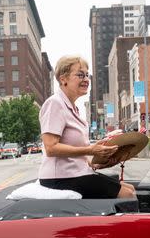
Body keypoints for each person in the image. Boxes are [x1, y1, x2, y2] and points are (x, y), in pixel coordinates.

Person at [38, 55, 135, 198]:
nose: (86, 79)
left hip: (76, 174)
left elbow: (74, 155)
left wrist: (96, 162)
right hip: (59, 178)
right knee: (127, 194)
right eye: (80, 75)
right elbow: (51, 148)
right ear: (63, 79)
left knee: (130, 188)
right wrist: (91, 150)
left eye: (87, 75)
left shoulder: (73, 108)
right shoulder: (55, 103)